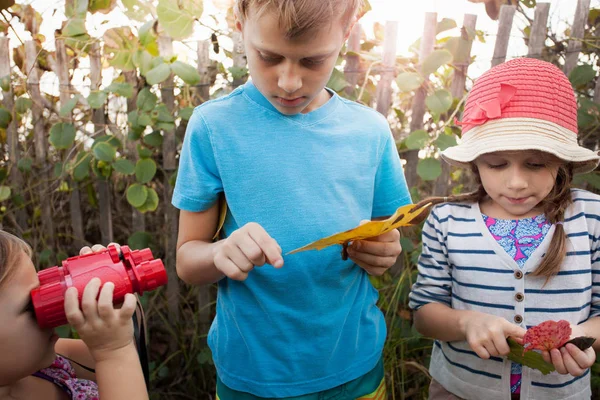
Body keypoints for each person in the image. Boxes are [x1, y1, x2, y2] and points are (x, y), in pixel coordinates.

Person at [172, 0, 411, 398]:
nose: (288, 81)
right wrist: (219, 254)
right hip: (252, 375)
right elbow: (186, 260)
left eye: (313, 61)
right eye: (268, 56)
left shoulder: (370, 131)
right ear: (239, 24)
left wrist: (385, 251)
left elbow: (389, 242)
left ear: (346, 31)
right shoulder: (214, 127)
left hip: (353, 368)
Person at [408, 57, 600, 400]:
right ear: (475, 162)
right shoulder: (449, 220)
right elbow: (424, 313)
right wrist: (467, 323)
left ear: (562, 161)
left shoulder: (590, 218)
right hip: (459, 390)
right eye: (496, 164)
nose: (515, 182)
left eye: (536, 163)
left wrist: (580, 335)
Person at [0, 233, 148, 400]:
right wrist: (114, 351)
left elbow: (127, 366)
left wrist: (112, 297)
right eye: (30, 306)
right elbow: (115, 356)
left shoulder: (44, 363)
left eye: (41, 289)